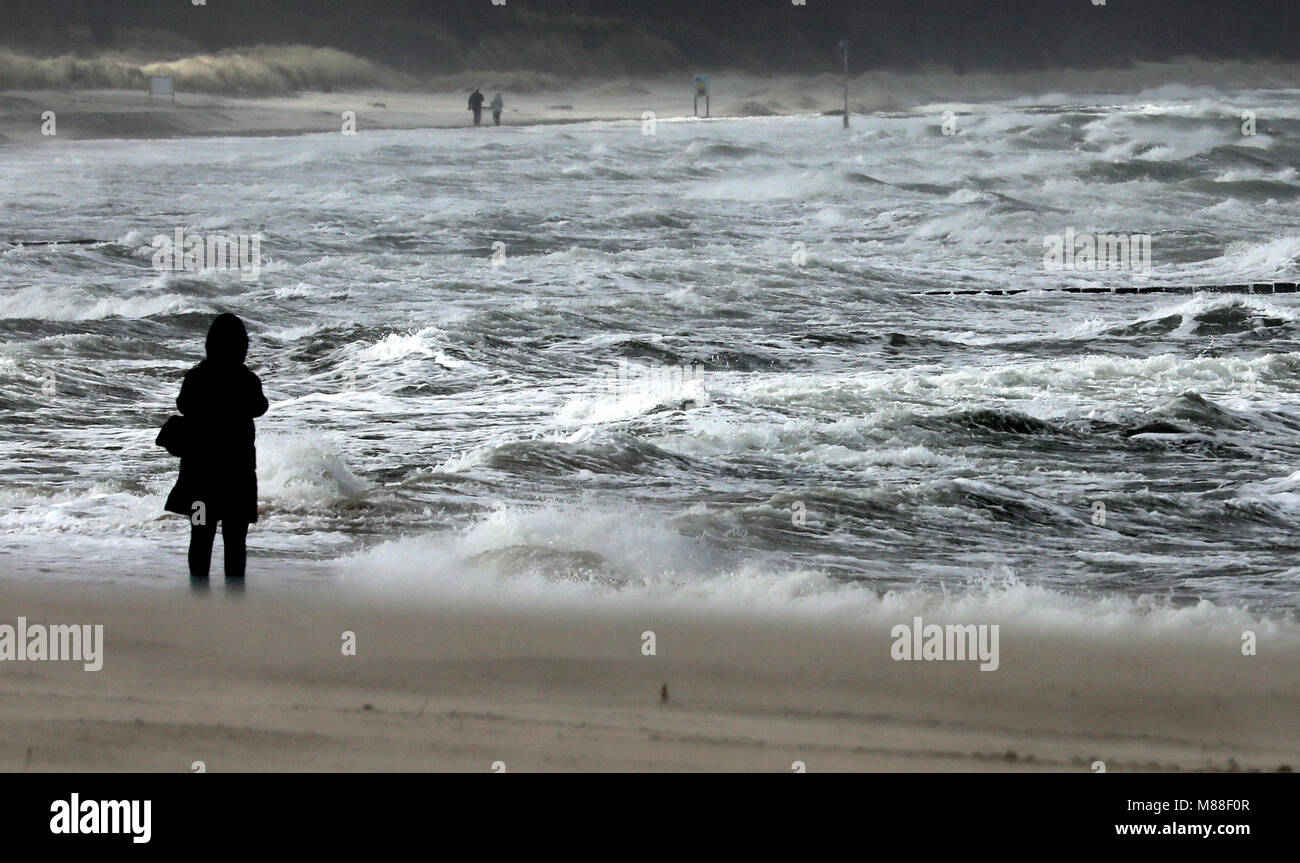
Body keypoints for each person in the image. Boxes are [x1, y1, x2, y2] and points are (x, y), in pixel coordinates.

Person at [164, 313, 268, 582]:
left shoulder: (196, 377)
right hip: (238, 475)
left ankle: (198, 599)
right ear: (241, 347)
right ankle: (234, 602)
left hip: (200, 476)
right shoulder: (247, 380)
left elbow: (183, 406)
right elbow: (260, 407)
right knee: (236, 541)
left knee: (200, 536)